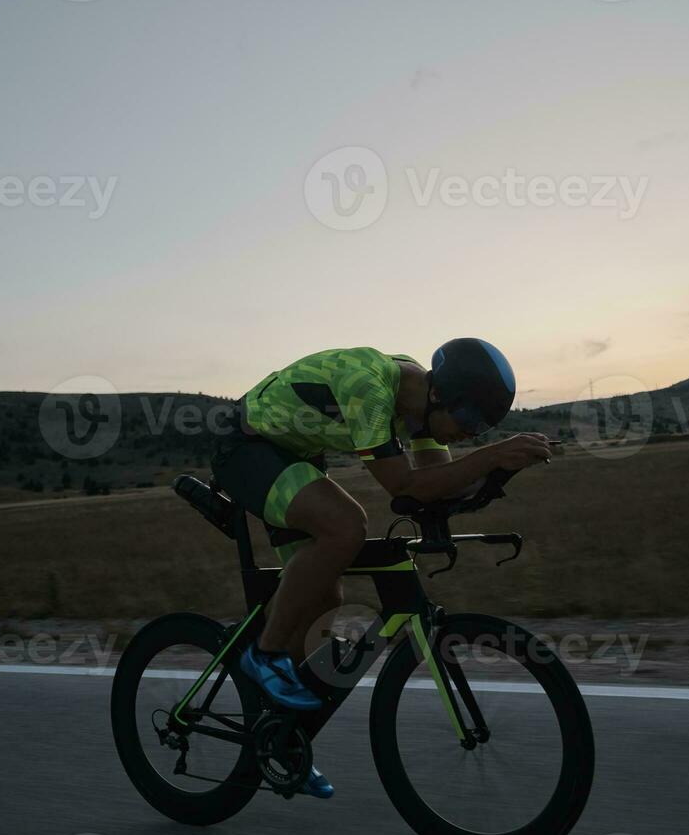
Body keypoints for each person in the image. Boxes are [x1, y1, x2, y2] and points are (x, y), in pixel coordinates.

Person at [210, 339, 553, 798]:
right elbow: (405, 484)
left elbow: (438, 485)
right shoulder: (369, 387)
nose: (471, 434)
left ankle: (277, 735)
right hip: (248, 448)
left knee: (324, 596)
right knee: (346, 528)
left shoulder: (422, 409)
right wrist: (491, 455)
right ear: (439, 395)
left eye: (484, 428)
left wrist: (500, 474)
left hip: (295, 456)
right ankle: (265, 653)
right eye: (470, 420)